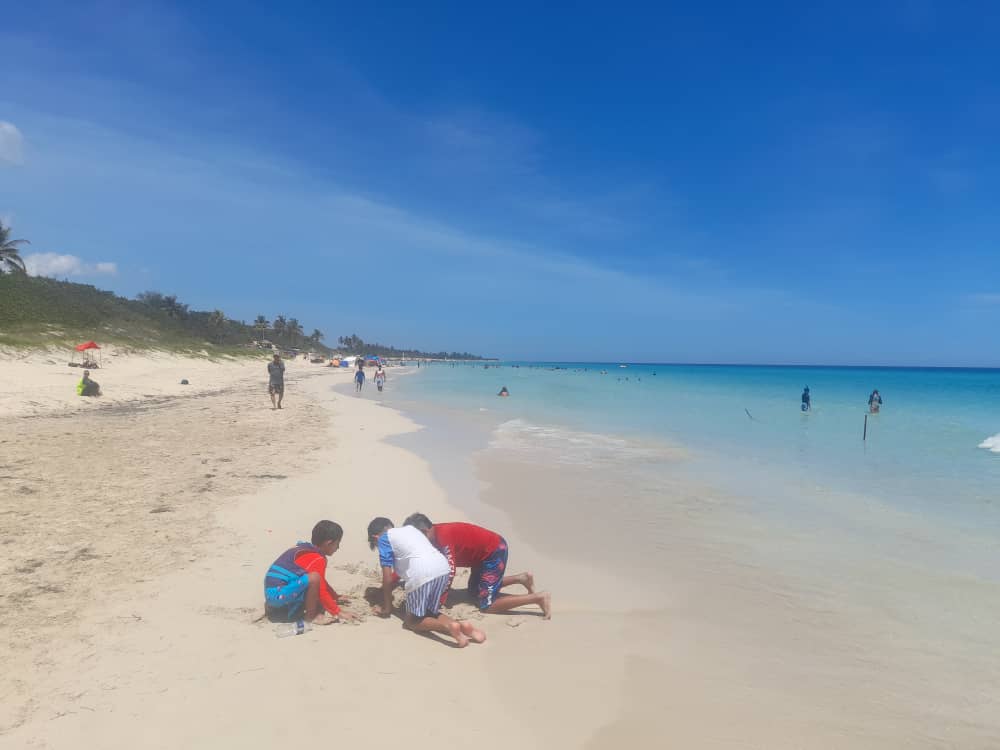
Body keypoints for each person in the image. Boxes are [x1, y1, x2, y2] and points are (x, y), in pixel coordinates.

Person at [366, 517, 485, 648]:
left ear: (376, 537)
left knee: (412, 621)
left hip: (422, 573)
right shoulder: (410, 530)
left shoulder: (383, 539)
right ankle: (463, 627)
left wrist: (387, 608)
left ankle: (449, 627)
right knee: (429, 612)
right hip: (443, 568)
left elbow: (387, 578)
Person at [404, 513, 551, 619]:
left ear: (424, 532)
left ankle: (538, 598)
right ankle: (521, 578)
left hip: (493, 551)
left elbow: (450, 571)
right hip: (480, 557)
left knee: (487, 605)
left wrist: (439, 601)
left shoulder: (443, 537)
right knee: (474, 591)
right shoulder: (433, 535)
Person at [264, 520, 356, 624]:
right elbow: (320, 588)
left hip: (273, 594)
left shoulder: (305, 548)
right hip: (277, 595)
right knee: (314, 579)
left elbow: (321, 582)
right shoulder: (317, 558)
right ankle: (311, 617)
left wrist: (335, 596)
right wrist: (338, 612)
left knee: (314, 580)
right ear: (329, 543)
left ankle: (278, 608)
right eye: (337, 544)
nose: (338, 548)